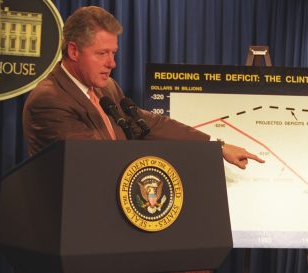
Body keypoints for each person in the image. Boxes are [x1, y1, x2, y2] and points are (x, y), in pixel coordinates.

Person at [22, 6, 264, 272]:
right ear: (73, 51)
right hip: (81, 235)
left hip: (118, 221)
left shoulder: (107, 87)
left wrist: (215, 146)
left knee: (195, 261)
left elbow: (147, 123)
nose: (111, 63)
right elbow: (93, 162)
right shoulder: (49, 99)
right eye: (102, 54)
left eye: (113, 53)